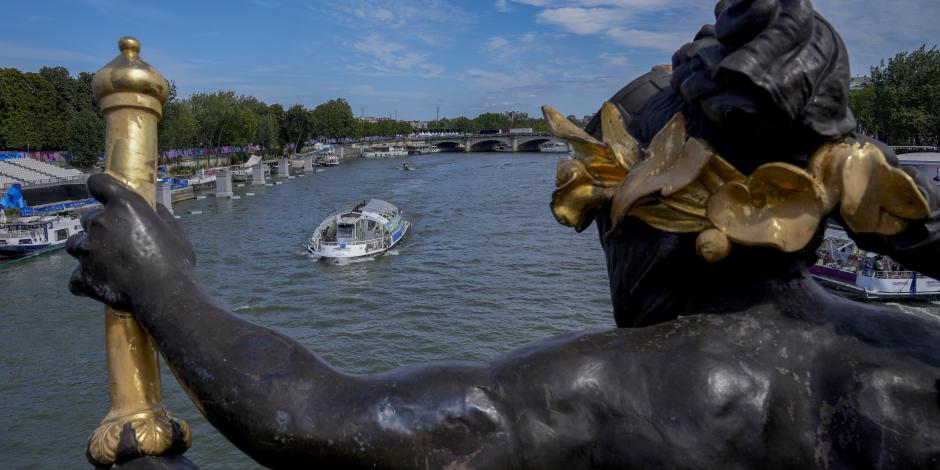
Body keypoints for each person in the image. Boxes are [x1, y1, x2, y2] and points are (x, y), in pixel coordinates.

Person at [68, 1, 940, 468]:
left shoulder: (636, 383)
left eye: (603, 217)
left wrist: (162, 281)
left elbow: (318, 420)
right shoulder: (907, 356)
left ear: (661, 205)